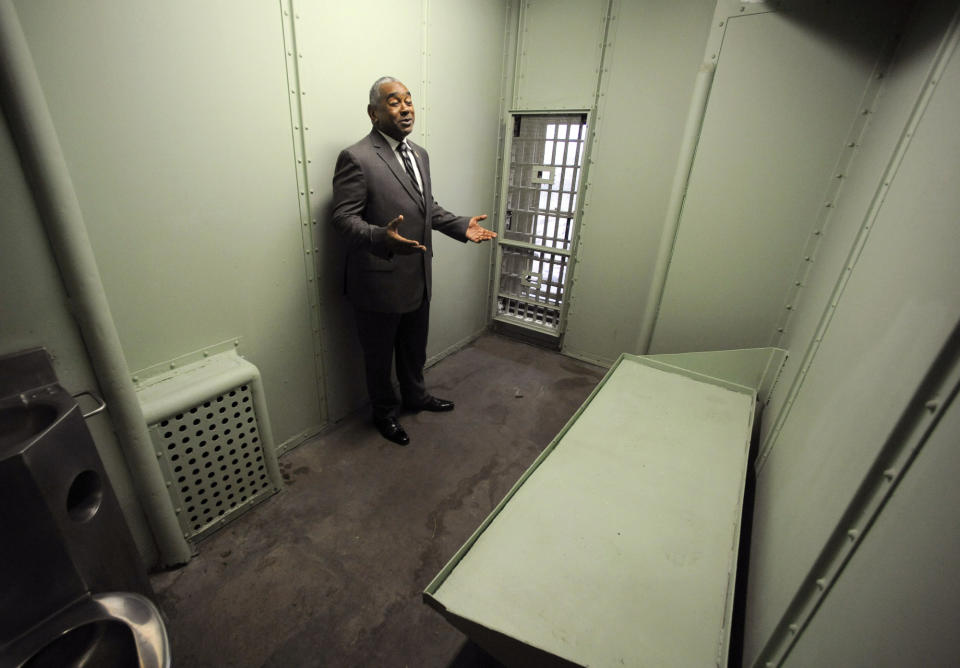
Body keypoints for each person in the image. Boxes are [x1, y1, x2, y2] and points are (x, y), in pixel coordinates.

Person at [331, 76, 496, 446]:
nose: (405, 108)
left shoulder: (419, 154)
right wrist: (379, 237)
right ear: (374, 113)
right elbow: (343, 219)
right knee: (379, 357)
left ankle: (416, 396)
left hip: (418, 276)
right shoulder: (356, 158)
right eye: (394, 102)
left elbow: (427, 208)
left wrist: (459, 226)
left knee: (413, 348)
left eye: (408, 100)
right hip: (377, 280)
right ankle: (384, 414)